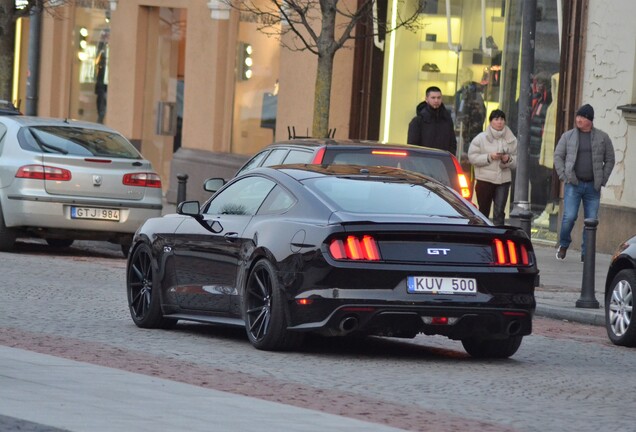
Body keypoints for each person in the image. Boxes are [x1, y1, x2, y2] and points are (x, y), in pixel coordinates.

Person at [554, 104, 615, 261]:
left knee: (591, 221)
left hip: (593, 186)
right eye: (578, 116)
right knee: (569, 217)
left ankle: (586, 253)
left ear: (589, 120)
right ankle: (564, 244)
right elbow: (558, 156)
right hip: (573, 184)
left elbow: (610, 159)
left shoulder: (603, 137)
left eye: (582, 117)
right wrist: (564, 175)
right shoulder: (568, 136)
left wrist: (603, 178)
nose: (578, 119)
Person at [467, 109, 517, 226]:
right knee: (483, 211)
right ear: (490, 122)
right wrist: (489, 157)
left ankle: (498, 238)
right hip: (485, 180)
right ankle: (482, 235)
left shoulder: (512, 139)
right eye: (496, 119)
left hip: (503, 181)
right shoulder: (481, 138)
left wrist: (507, 159)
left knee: (499, 212)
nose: (499, 122)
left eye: (501, 119)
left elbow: (517, 161)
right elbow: (472, 157)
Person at [407, 86, 457, 155]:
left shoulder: (447, 120)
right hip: (423, 161)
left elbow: (452, 143)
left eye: (438, 98)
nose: (436, 100)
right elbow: (412, 146)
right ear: (426, 99)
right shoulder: (418, 121)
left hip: (443, 161)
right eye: (433, 98)